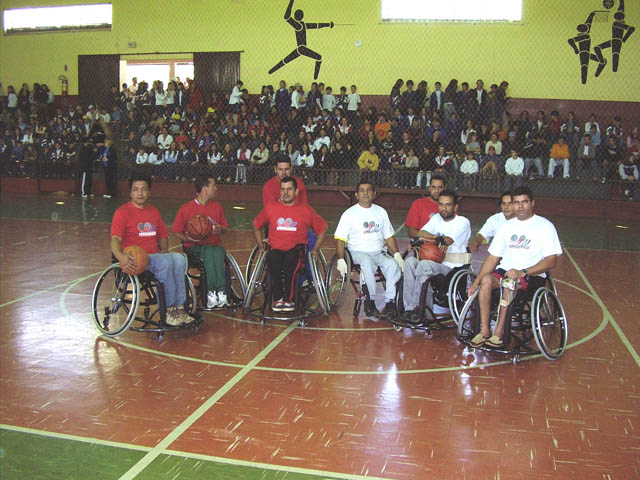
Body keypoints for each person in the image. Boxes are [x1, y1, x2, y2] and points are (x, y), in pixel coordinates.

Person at [467, 186, 562, 348]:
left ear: (532, 203)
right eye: (516, 203)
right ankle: (484, 331)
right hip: (505, 272)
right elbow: (492, 258)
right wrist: (477, 282)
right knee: (486, 281)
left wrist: (523, 271)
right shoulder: (506, 227)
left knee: (509, 282)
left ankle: (499, 333)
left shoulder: (545, 226)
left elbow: (551, 261)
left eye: (524, 202)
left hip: (531, 275)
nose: (520, 206)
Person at [111, 173, 192, 326]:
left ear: (149, 192)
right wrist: (120, 256)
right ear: (130, 192)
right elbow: (115, 239)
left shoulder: (153, 212)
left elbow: (162, 235)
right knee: (164, 263)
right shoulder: (122, 213)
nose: (140, 193)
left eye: (143, 189)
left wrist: (164, 250)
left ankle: (180, 307)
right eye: (136, 189)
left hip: (154, 257)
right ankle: (168, 310)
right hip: (136, 259)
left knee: (180, 259)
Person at [253, 176, 327, 312]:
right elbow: (256, 224)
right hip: (276, 249)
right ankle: (278, 297)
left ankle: (289, 298)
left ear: (296, 191)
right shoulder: (271, 208)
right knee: (272, 258)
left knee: (291, 261)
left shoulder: (305, 210)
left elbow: (322, 228)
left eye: (289, 189)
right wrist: (260, 244)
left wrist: (315, 249)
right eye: (282, 189)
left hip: (296, 249)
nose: (285, 193)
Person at [334, 182, 404, 317]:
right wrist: (341, 259)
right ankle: (370, 301)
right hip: (357, 252)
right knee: (367, 263)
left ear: (374, 194)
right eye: (362, 190)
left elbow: (389, 236)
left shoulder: (381, 212)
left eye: (369, 190)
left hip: (378, 252)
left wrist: (396, 254)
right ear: (356, 194)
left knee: (392, 265)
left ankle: (390, 302)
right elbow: (340, 239)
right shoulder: (349, 214)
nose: (365, 193)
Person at [402, 190, 471, 317]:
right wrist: (435, 237)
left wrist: (432, 239)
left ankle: (420, 309)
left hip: (452, 269)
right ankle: (409, 308)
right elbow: (421, 233)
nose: (444, 208)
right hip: (435, 263)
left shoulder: (463, 222)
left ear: (455, 207)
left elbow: (448, 240)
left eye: (448, 205)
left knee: (424, 264)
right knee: (410, 262)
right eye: (441, 204)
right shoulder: (436, 219)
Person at [173, 174, 229, 309]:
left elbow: (225, 229)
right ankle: (212, 291)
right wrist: (188, 238)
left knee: (218, 250)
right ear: (205, 188)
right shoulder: (186, 208)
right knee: (211, 250)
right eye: (213, 185)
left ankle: (221, 292)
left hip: (214, 246)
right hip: (194, 248)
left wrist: (220, 229)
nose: (216, 188)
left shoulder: (217, 206)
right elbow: (176, 231)